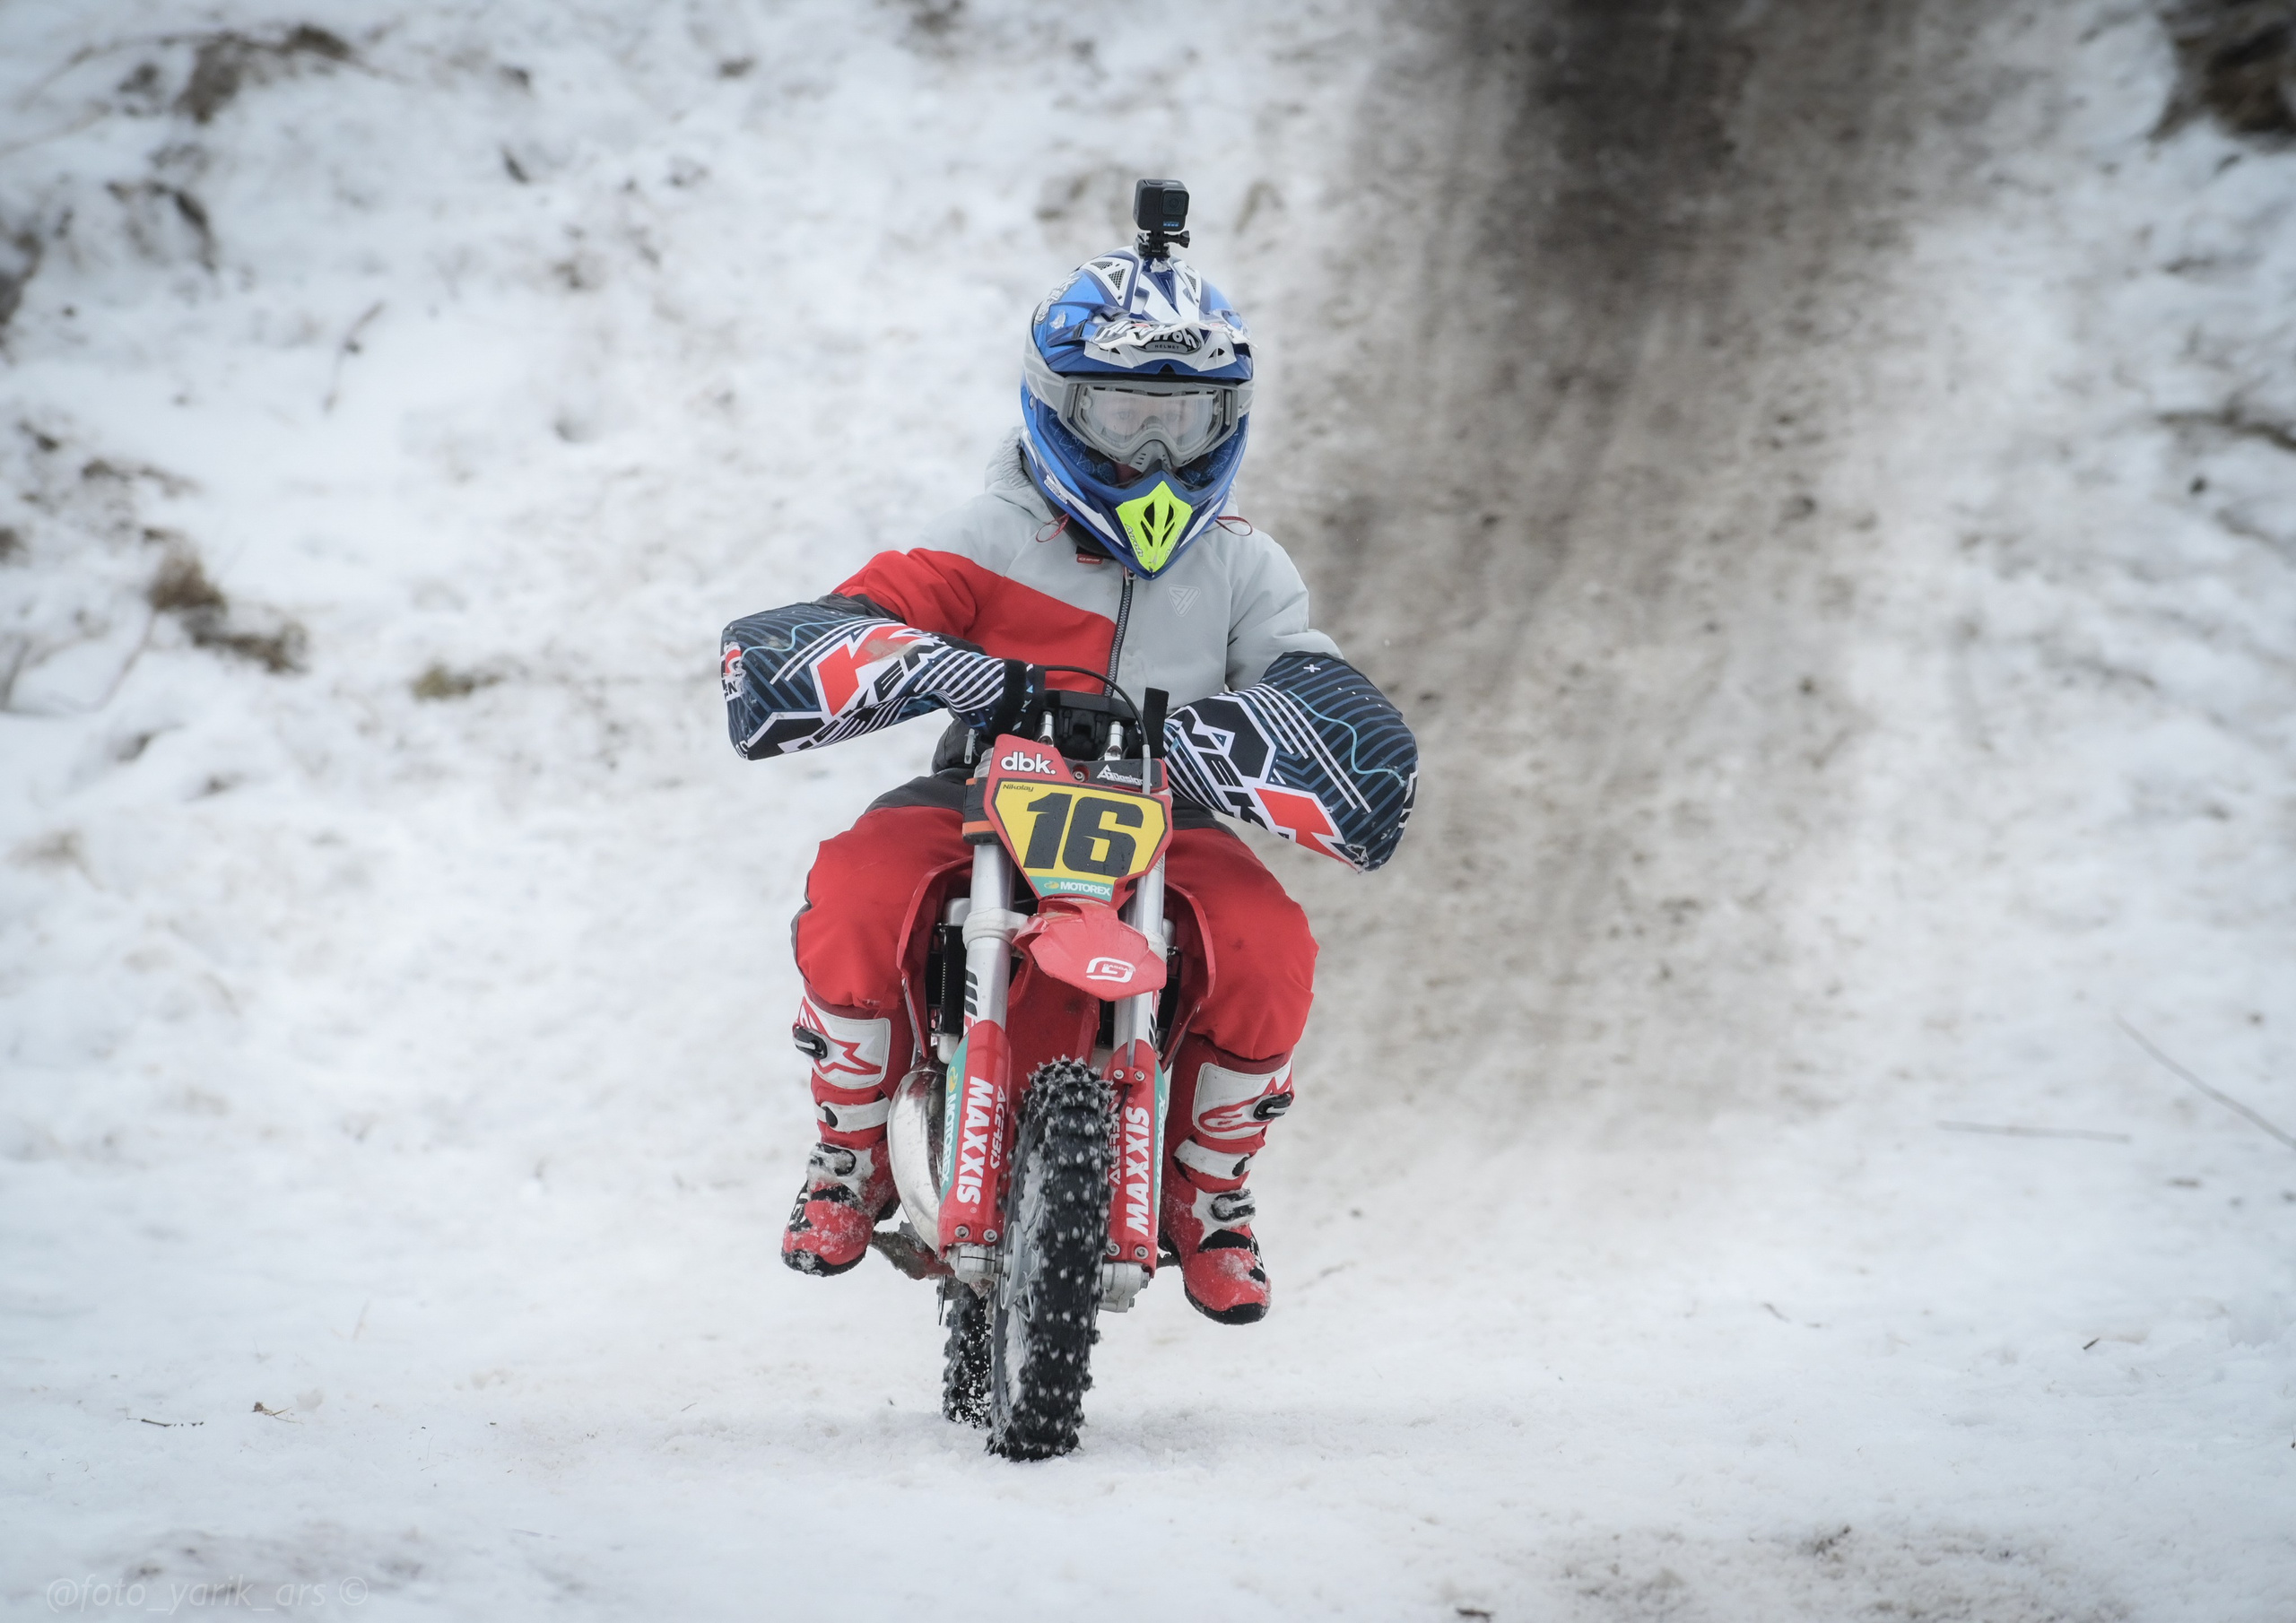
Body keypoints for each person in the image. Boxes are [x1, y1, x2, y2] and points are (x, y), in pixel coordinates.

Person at [719, 213, 1416, 1324]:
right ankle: (848, 1152)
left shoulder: (1243, 566)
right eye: (1124, 415)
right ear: (1059, 406)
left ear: (1226, 421)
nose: (1154, 454)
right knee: (857, 890)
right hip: (981, 792)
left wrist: (1293, 727)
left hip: (1165, 808)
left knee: (1267, 947)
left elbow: (1308, 671)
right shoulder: (993, 531)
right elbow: (865, 609)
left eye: (1183, 421)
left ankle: (1210, 1195)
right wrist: (928, 666)